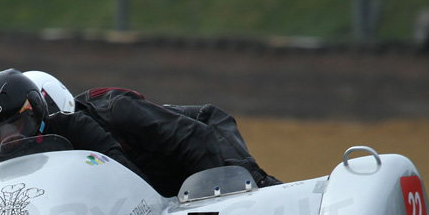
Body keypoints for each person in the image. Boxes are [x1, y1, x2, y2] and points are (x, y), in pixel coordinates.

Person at [22, 71, 282, 197]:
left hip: (208, 136)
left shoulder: (116, 110)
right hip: (170, 179)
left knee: (252, 189)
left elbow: (197, 137)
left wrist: (207, 212)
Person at [0, 68, 147, 181]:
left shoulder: (76, 127)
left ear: (36, 111)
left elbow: (126, 174)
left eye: (15, 125)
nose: (9, 138)